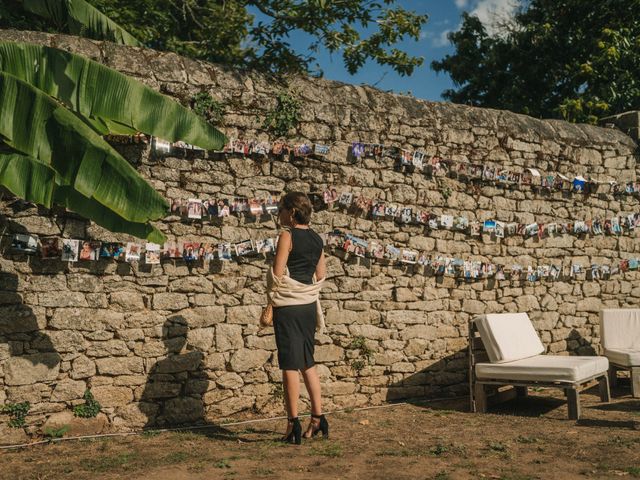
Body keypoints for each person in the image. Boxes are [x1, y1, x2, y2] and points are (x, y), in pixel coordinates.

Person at [269, 192, 328, 445]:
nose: (278, 213)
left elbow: (278, 274)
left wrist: (270, 301)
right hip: (307, 306)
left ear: (292, 212)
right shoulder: (317, 238)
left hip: (289, 306)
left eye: (281, 208)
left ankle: (292, 423)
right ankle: (318, 417)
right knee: (307, 361)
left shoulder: (287, 235)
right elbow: (321, 273)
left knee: (290, 364)